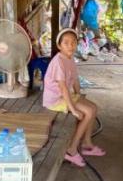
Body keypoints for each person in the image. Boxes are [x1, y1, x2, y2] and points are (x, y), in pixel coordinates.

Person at [44, 29, 105, 167]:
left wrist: (78, 94)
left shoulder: (70, 58)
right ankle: (71, 150)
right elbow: (63, 88)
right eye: (66, 43)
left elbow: (75, 79)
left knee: (93, 108)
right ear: (59, 46)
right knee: (87, 112)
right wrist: (73, 109)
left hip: (64, 95)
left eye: (73, 42)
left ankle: (86, 144)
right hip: (55, 99)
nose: (70, 45)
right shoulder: (58, 61)